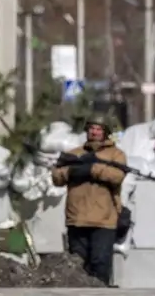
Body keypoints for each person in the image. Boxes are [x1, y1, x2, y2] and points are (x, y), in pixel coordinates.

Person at [50, 114, 127, 285]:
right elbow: (56, 177)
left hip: (103, 221)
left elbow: (117, 176)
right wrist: (71, 172)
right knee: (77, 268)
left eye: (98, 129)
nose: (94, 132)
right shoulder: (75, 154)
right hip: (77, 219)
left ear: (105, 132)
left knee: (100, 266)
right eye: (91, 128)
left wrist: (93, 169)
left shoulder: (116, 155)